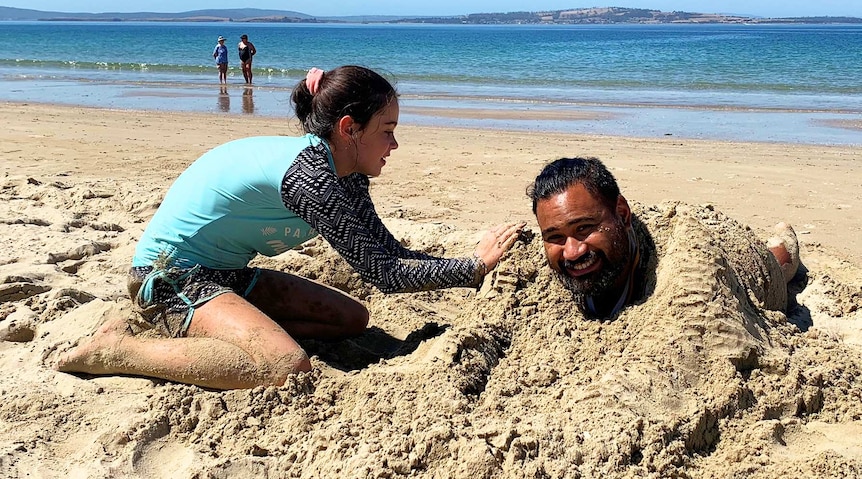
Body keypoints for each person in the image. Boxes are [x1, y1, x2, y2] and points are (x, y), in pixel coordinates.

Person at [57, 65, 524, 389]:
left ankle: (232, 329)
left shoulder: (346, 173)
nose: (395, 143)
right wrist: (475, 266)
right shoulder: (310, 177)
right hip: (168, 278)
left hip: (226, 276)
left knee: (352, 320)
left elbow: (386, 252)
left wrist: (470, 265)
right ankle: (116, 349)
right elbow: (385, 275)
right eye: (387, 128)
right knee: (287, 367)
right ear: (349, 128)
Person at [527, 157, 799, 319]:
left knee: (777, 261)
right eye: (555, 237)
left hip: (720, 252)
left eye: (584, 229)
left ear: (622, 214)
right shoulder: (533, 283)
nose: (572, 251)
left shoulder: (689, 282)